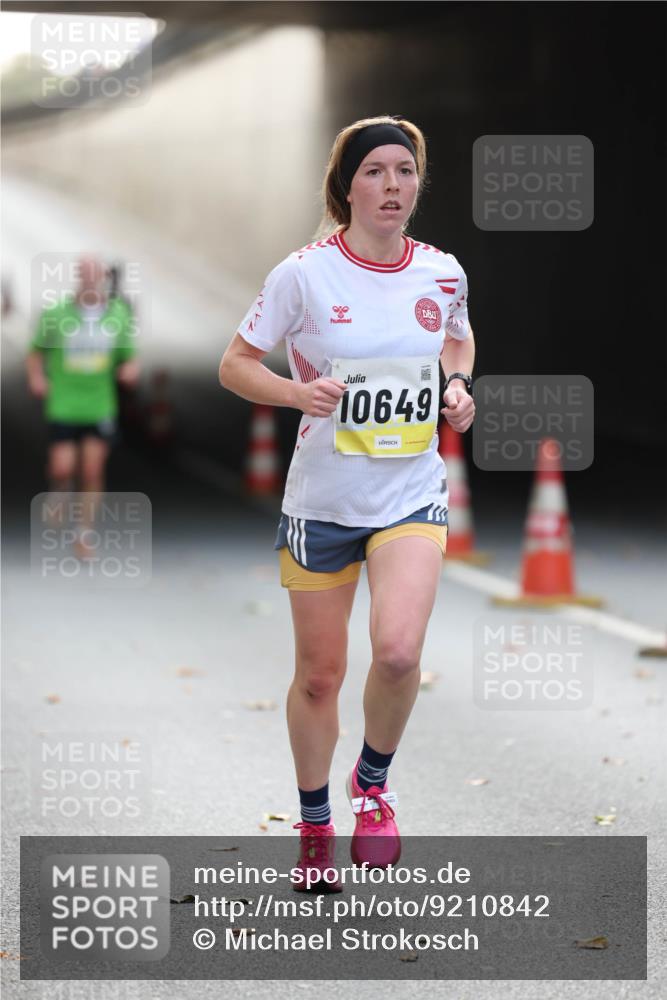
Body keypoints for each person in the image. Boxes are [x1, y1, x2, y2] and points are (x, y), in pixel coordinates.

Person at [219, 115, 475, 889]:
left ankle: (370, 788)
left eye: (403, 171)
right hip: (322, 501)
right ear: (346, 185)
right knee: (320, 677)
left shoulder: (442, 271)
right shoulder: (303, 273)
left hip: (408, 492)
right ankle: (312, 824)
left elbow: (456, 341)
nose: (391, 186)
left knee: (398, 652)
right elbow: (235, 365)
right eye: (374, 173)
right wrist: (298, 392)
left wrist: (457, 387)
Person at [26, 256, 140, 556]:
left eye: (95, 274)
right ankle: (60, 491)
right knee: (63, 468)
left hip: (99, 404)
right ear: (78, 277)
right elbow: (36, 351)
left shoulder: (118, 314)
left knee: (91, 470)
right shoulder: (57, 313)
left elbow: (129, 355)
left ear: (103, 277)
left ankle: (84, 532)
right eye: (84, 273)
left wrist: (130, 370)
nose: (90, 279)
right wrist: (37, 378)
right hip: (63, 402)